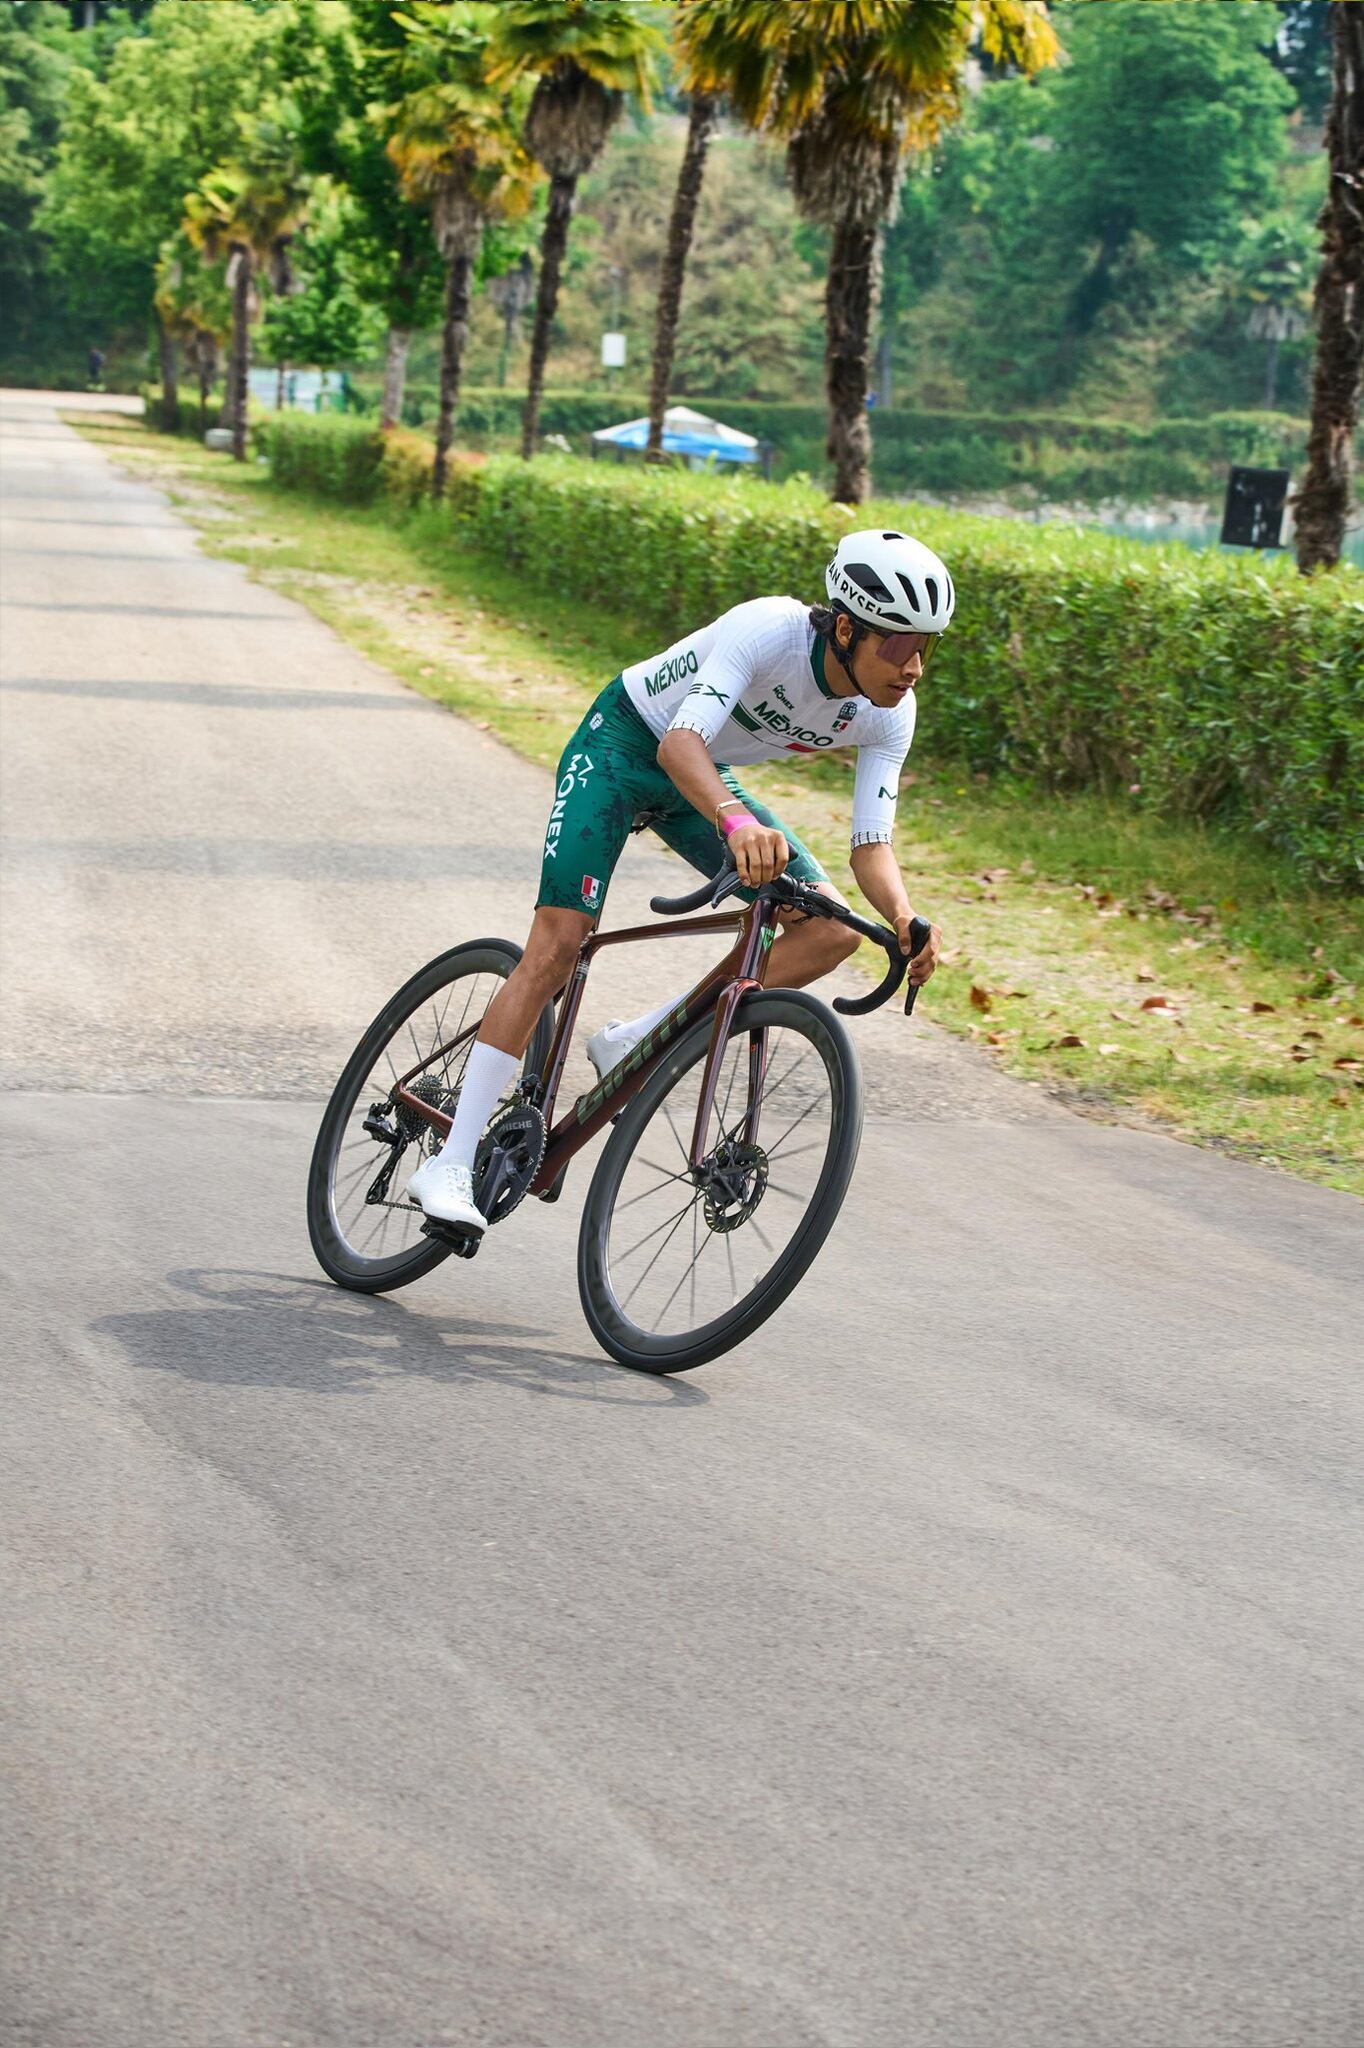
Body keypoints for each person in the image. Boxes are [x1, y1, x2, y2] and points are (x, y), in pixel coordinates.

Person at [408, 528, 954, 1232]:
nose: (914, 668)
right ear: (846, 627)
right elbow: (678, 741)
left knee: (828, 930)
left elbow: (870, 846)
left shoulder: (888, 714)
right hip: (626, 745)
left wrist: (907, 919)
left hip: (701, 780)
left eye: (928, 648)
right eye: (901, 645)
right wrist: (732, 820)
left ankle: (641, 1035)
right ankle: (450, 1160)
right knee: (557, 948)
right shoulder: (769, 631)